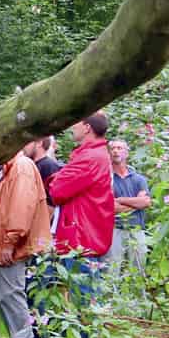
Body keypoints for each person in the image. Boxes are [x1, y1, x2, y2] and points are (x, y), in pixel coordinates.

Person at [0, 147, 51, 338]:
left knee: (11, 293)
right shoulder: (2, 168)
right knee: (3, 295)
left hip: (13, 244)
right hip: (1, 241)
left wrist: (10, 241)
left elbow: (21, 207)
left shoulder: (21, 167)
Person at [48, 112, 115, 301]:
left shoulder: (90, 157)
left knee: (83, 299)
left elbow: (57, 190)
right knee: (82, 297)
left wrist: (57, 177)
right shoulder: (95, 154)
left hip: (81, 238)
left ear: (87, 128)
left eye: (76, 122)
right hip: (86, 233)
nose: (72, 127)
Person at [107, 138, 152, 273]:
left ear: (127, 153)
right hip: (114, 230)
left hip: (137, 230)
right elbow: (110, 208)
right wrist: (136, 203)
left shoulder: (139, 179)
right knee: (111, 272)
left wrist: (120, 200)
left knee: (139, 271)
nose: (115, 151)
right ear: (109, 153)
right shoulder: (106, 179)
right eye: (112, 148)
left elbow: (146, 202)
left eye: (119, 148)